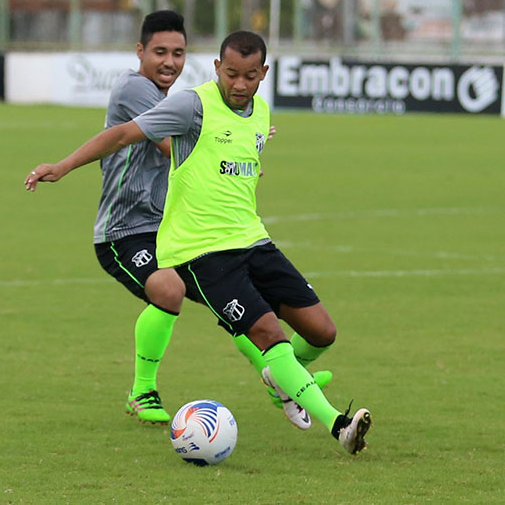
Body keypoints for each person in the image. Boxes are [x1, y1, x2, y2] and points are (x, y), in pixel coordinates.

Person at [25, 30, 370, 454]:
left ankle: (281, 377)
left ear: (263, 73)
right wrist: (62, 166)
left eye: (249, 76)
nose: (239, 84)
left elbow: (234, 161)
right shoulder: (192, 105)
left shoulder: (260, 112)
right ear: (216, 68)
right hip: (202, 252)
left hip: (254, 241)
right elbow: (122, 135)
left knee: (321, 332)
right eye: (231, 74)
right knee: (268, 335)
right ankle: (338, 425)